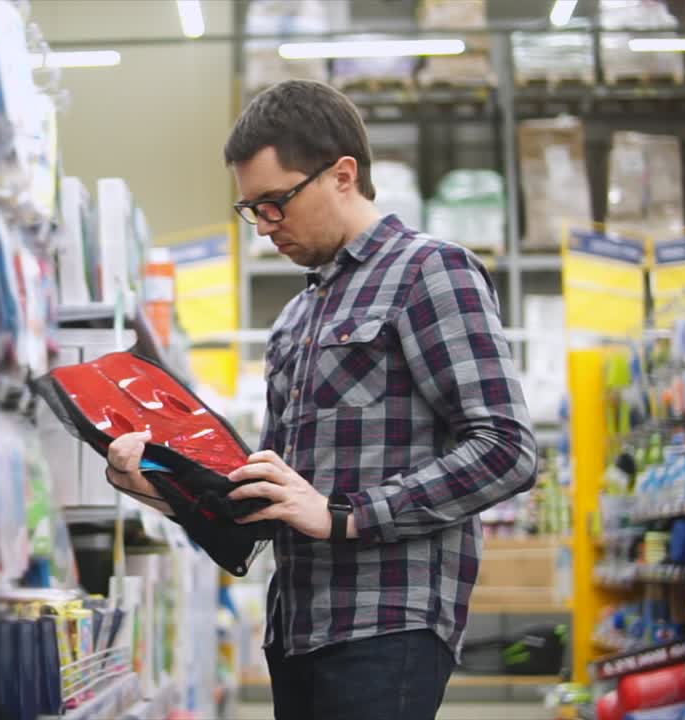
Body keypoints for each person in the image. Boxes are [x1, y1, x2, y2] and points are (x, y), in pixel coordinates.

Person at [105, 79, 538, 720]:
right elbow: (273, 505)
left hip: (387, 621)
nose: (265, 227)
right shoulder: (294, 319)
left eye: (276, 202)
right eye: (252, 208)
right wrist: (155, 485)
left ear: (343, 174)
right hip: (296, 627)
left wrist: (348, 515)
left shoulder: (429, 272)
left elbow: (507, 449)